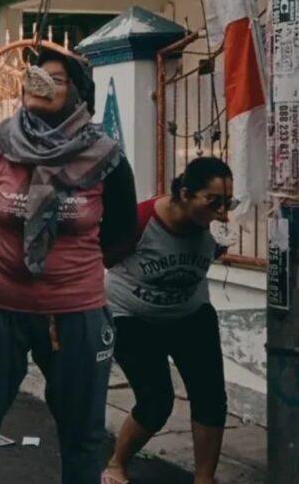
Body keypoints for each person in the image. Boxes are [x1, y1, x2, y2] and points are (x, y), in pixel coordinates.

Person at [0, 48, 138, 484]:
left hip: (75, 312)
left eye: (57, 79)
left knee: (82, 433)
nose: (43, 83)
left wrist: (68, 269)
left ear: (77, 91)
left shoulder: (106, 157)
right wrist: (13, 259)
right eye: (37, 75)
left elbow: (122, 231)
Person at [102, 157, 233, 484]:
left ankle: (204, 479)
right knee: (156, 401)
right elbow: (102, 260)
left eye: (227, 203)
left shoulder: (215, 230)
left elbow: (211, 255)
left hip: (190, 313)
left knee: (211, 398)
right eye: (214, 201)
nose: (221, 212)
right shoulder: (141, 220)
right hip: (131, 316)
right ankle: (117, 463)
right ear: (186, 194)